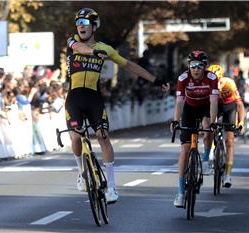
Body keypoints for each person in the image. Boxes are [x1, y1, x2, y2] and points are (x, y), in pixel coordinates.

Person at [65, 8, 170, 204]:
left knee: (103, 137)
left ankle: (112, 187)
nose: (81, 26)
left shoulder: (106, 49)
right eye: (79, 23)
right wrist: (94, 51)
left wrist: (155, 80)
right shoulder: (73, 42)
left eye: (86, 23)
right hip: (74, 98)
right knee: (76, 136)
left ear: (94, 27)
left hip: (94, 98)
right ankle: (81, 172)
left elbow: (129, 65)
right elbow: (81, 49)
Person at [170, 50, 218, 207]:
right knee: (184, 149)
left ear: (205, 67)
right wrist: (176, 121)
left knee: (207, 128)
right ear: (189, 66)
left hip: (205, 107)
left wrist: (213, 122)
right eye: (193, 66)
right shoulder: (183, 78)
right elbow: (179, 102)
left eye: (199, 66)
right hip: (189, 110)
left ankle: (205, 160)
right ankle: (180, 191)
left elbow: (213, 101)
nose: (196, 69)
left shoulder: (211, 78)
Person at [207, 64, 245, 188]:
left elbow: (239, 105)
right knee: (210, 128)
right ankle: (212, 150)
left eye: (216, 80)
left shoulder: (229, 84)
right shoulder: (206, 84)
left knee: (230, 141)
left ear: (221, 78)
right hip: (215, 107)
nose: (214, 82)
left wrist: (241, 122)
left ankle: (228, 174)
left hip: (229, 107)